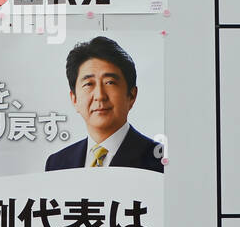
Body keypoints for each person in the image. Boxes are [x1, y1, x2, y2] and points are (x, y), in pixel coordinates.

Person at [45, 36, 164, 172]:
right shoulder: (57, 163)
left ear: (131, 95)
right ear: (74, 99)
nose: (100, 96)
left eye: (110, 83)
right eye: (89, 84)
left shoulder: (161, 160)